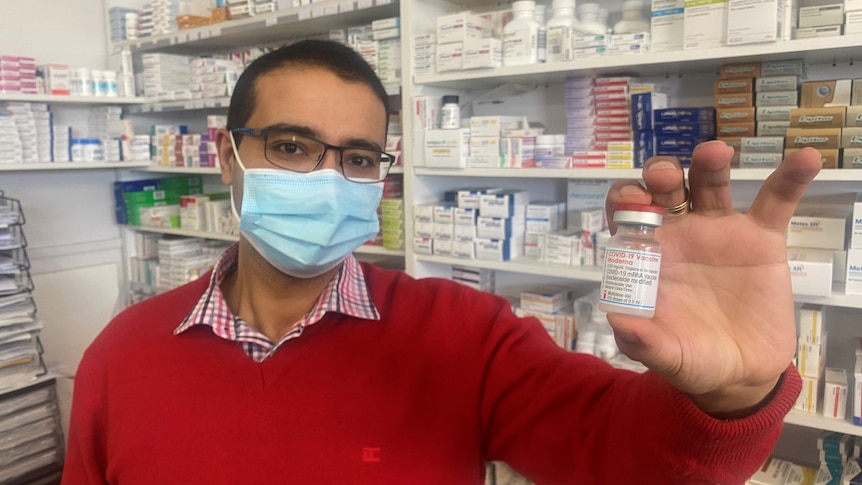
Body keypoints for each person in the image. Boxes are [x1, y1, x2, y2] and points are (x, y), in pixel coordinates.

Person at [62, 39, 821, 484]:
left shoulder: (463, 335)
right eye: (291, 146)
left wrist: (734, 396)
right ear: (228, 158)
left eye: (356, 157)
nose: (328, 179)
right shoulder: (121, 356)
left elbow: (618, 450)